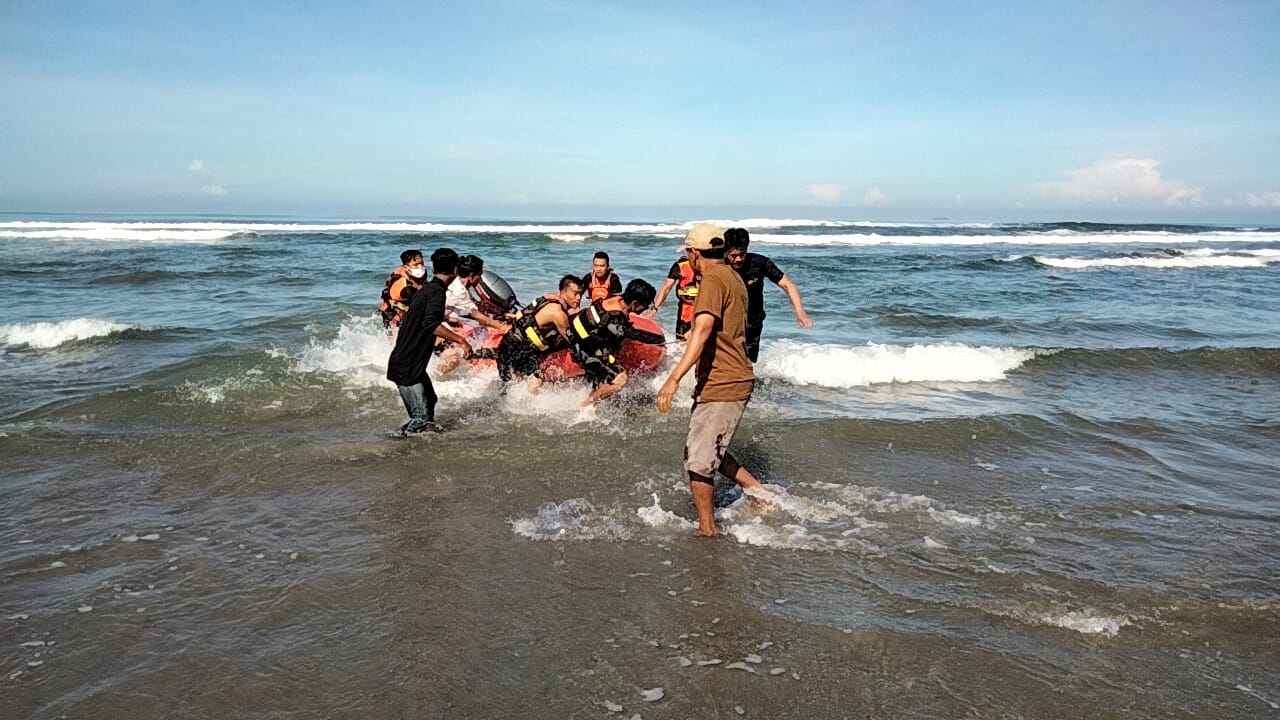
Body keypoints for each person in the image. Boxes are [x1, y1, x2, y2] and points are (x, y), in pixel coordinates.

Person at [656, 222, 771, 537]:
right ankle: (760, 494)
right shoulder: (733, 277)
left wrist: (673, 378)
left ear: (694, 254)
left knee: (699, 460)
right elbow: (716, 326)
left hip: (725, 380)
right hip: (729, 377)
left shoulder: (710, 280)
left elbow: (705, 328)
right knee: (703, 451)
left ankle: (707, 531)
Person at [386, 248, 473, 435]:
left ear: (433, 269)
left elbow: (425, 318)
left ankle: (416, 449)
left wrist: (446, 319)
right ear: (456, 269)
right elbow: (430, 324)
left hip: (410, 363)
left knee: (431, 401)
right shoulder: (436, 293)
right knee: (420, 419)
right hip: (407, 367)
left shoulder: (428, 290)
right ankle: (394, 448)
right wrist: (462, 341)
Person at [724, 227, 814, 362]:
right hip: (726, 322)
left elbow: (788, 285)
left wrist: (800, 312)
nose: (738, 259)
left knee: (748, 362)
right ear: (725, 252)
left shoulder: (759, 263)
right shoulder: (718, 266)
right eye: (733, 255)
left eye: (742, 254)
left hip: (753, 322)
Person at [568, 278, 662, 406]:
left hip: (578, 336)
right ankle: (587, 404)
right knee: (621, 380)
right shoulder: (615, 319)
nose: (645, 309)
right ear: (635, 303)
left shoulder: (614, 300)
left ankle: (596, 387)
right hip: (583, 349)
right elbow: (632, 336)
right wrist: (658, 341)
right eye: (645, 306)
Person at [495, 275, 583, 394]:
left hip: (507, 344)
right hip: (520, 350)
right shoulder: (558, 314)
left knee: (508, 385)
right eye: (575, 293)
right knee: (535, 381)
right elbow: (572, 341)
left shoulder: (548, 299)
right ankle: (530, 408)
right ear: (563, 292)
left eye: (580, 294)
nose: (578, 298)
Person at [435, 254, 512, 374]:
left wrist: (507, 315)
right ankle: (435, 379)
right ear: (471, 276)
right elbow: (480, 317)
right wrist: (504, 328)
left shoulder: (457, 283)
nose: (480, 278)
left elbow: (478, 307)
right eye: (479, 274)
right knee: (453, 360)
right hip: (436, 331)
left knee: (478, 333)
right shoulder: (459, 291)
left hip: (444, 325)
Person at [648, 252, 698, 340]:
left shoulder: (711, 266)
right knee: (682, 341)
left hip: (702, 309)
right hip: (685, 312)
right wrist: (654, 309)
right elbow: (666, 288)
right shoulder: (681, 265)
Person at [379, 249, 426, 341]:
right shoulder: (404, 286)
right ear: (406, 267)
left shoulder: (417, 275)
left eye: (421, 263)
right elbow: (418, 301)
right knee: (394, 341)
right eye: (416, 265)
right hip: (391, 315)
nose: (420, 267)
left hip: (405, 312)